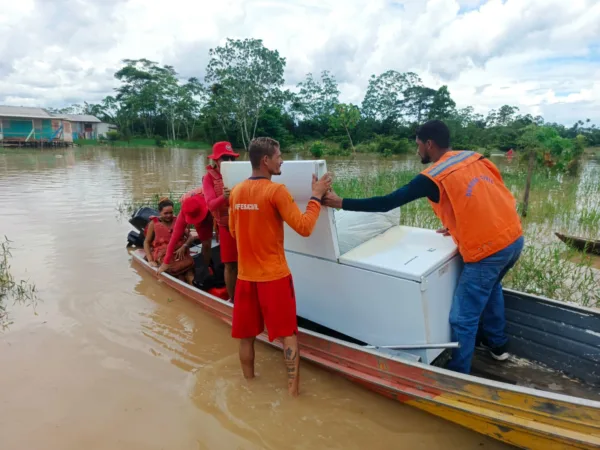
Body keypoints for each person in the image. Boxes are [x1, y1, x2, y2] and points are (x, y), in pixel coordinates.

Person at [323, 120, 524, 375]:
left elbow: (388, 202)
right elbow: (487, 195)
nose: (417, 151)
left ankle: (457, 375)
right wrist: (456, 226)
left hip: (488, 252)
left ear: (429, 144)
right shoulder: (475, 158)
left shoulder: (433, 176)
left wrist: (340, 202)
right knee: (492, 288)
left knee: (464, 317)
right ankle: (499, 347)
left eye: (418, 145)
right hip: (514, 240)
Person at [228, 137, 332, 396]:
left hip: (245, 277)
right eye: (279, 155)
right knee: (288, 335)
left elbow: (232, 230)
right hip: (273, 276)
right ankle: (293, 394)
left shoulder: (237, 191)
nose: (282, 160)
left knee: (246, 336)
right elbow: (305, 227)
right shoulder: (276, 191)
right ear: (266, 161)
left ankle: (249, 384)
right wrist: (316, 195)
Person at [203, 141, 239, 302]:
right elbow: (210, 204)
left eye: (231, 158)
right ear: (216, 161)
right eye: (225, 158)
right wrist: (223, 197)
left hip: (244, 224)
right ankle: (232, 299)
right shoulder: (208, 178)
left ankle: (248, 296)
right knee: (231, 265)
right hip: (225, 226)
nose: (229, 162)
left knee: (247, 263)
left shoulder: (241, 173)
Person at [157, 187, 213, 278]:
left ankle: (207, 265)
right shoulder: (183, 214)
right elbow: (173, 239)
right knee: (206, 243)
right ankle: (206, 267)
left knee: (210, 242)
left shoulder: (210, 198)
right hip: (197, 213)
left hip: (210, 210)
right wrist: (166, 262)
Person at [144, 197, 196, 284]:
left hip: (180, 253)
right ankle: (180, 280)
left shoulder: (178, 221)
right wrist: (150, 260)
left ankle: (191, 284)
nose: (169, 215)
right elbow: (146, 242)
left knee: (189, 267)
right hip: (162, 254)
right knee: (174, 269)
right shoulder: (153, 224)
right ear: (160, 212)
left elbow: (190, 237)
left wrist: (184, 246)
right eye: (166, 213)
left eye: (171, 213)